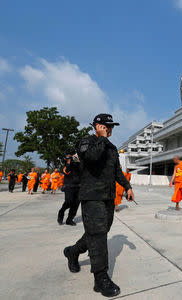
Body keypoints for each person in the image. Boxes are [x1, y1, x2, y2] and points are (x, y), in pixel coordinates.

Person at [63, 113, 134, 297]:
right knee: (98, 234)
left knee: (99, 231)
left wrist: (127, 187)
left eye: (112, 126)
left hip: (108, 197)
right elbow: (92, 158)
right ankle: (100, 278)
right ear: (97, 126)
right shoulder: (86, 141)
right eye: (107, 126)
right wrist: (101, 139)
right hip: (92, 196)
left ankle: (73, 251)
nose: (110, 129)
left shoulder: (111, 147)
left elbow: (117, 171)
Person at [58, 149, 82, 226]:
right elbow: (66, 171)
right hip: (69, 185)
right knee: (68, 201)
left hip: (78, 186)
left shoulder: (78, 163)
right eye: (69, 155)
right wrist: (68, 162)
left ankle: (69, 220)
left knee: (76, 204)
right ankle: (61, 212)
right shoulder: (64, 164)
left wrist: (78, 160)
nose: (71, 157)